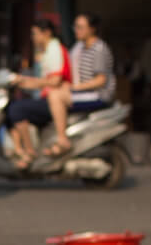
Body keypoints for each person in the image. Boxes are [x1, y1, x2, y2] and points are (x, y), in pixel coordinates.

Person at [42, 13, 116, 156]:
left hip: (99, 94)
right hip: (84, 92)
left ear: (92, 29)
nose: (76, 30)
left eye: (80, 27)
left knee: (56, 97)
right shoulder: (79, 48)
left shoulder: (99, 49)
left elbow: (101, 80)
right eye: (75, 27)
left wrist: (74, 88)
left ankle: (62, 140)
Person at [4, 19, 72, 167]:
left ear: (46, 33)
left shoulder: (54, 49)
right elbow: (43, 81)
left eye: (35, 34)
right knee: (11, 110)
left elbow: (54, 81)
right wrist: (23, 81)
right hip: (48, 97)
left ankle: (29, 151)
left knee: (17, 109)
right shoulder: (46, 51)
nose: (33, 38)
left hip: (56, 99)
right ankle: (19, 149)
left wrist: (26, 81)